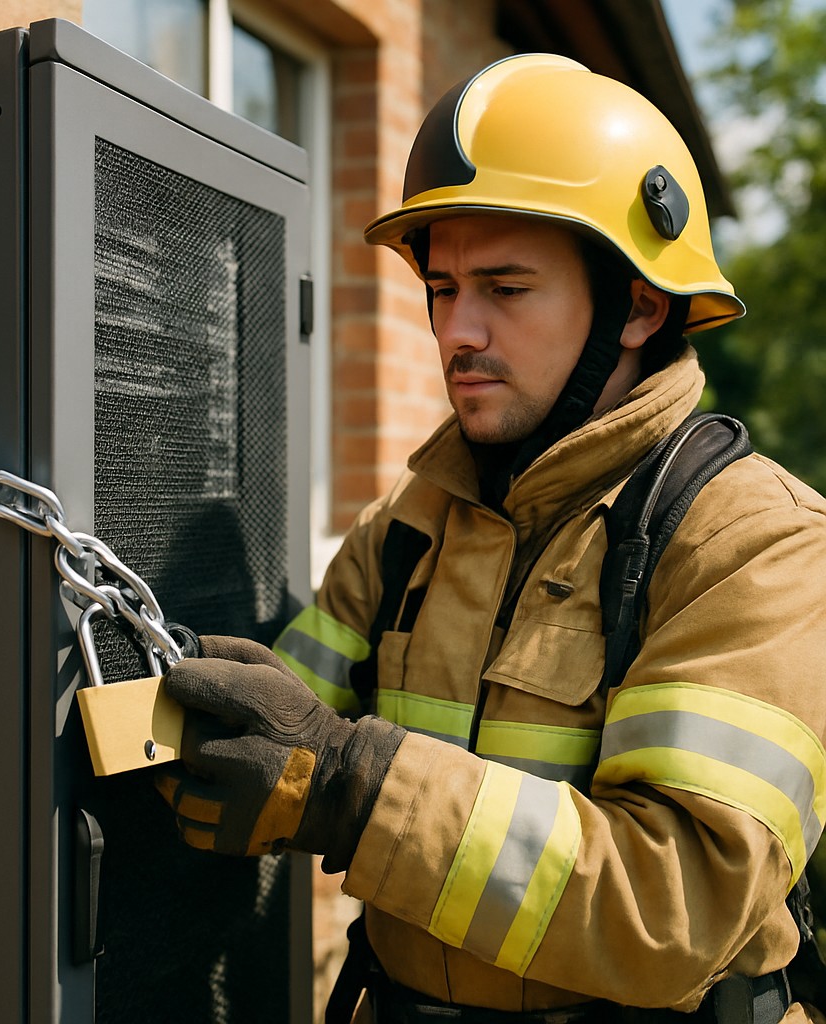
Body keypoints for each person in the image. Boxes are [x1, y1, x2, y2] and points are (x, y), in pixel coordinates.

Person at [155, 54, 826, 1024]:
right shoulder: (409, 528)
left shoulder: (757, 542)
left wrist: (349, 786)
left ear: (638, 306)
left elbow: (675, 907)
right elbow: (290, 722)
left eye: (505, 289)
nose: (456, 331)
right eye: (441, 287)